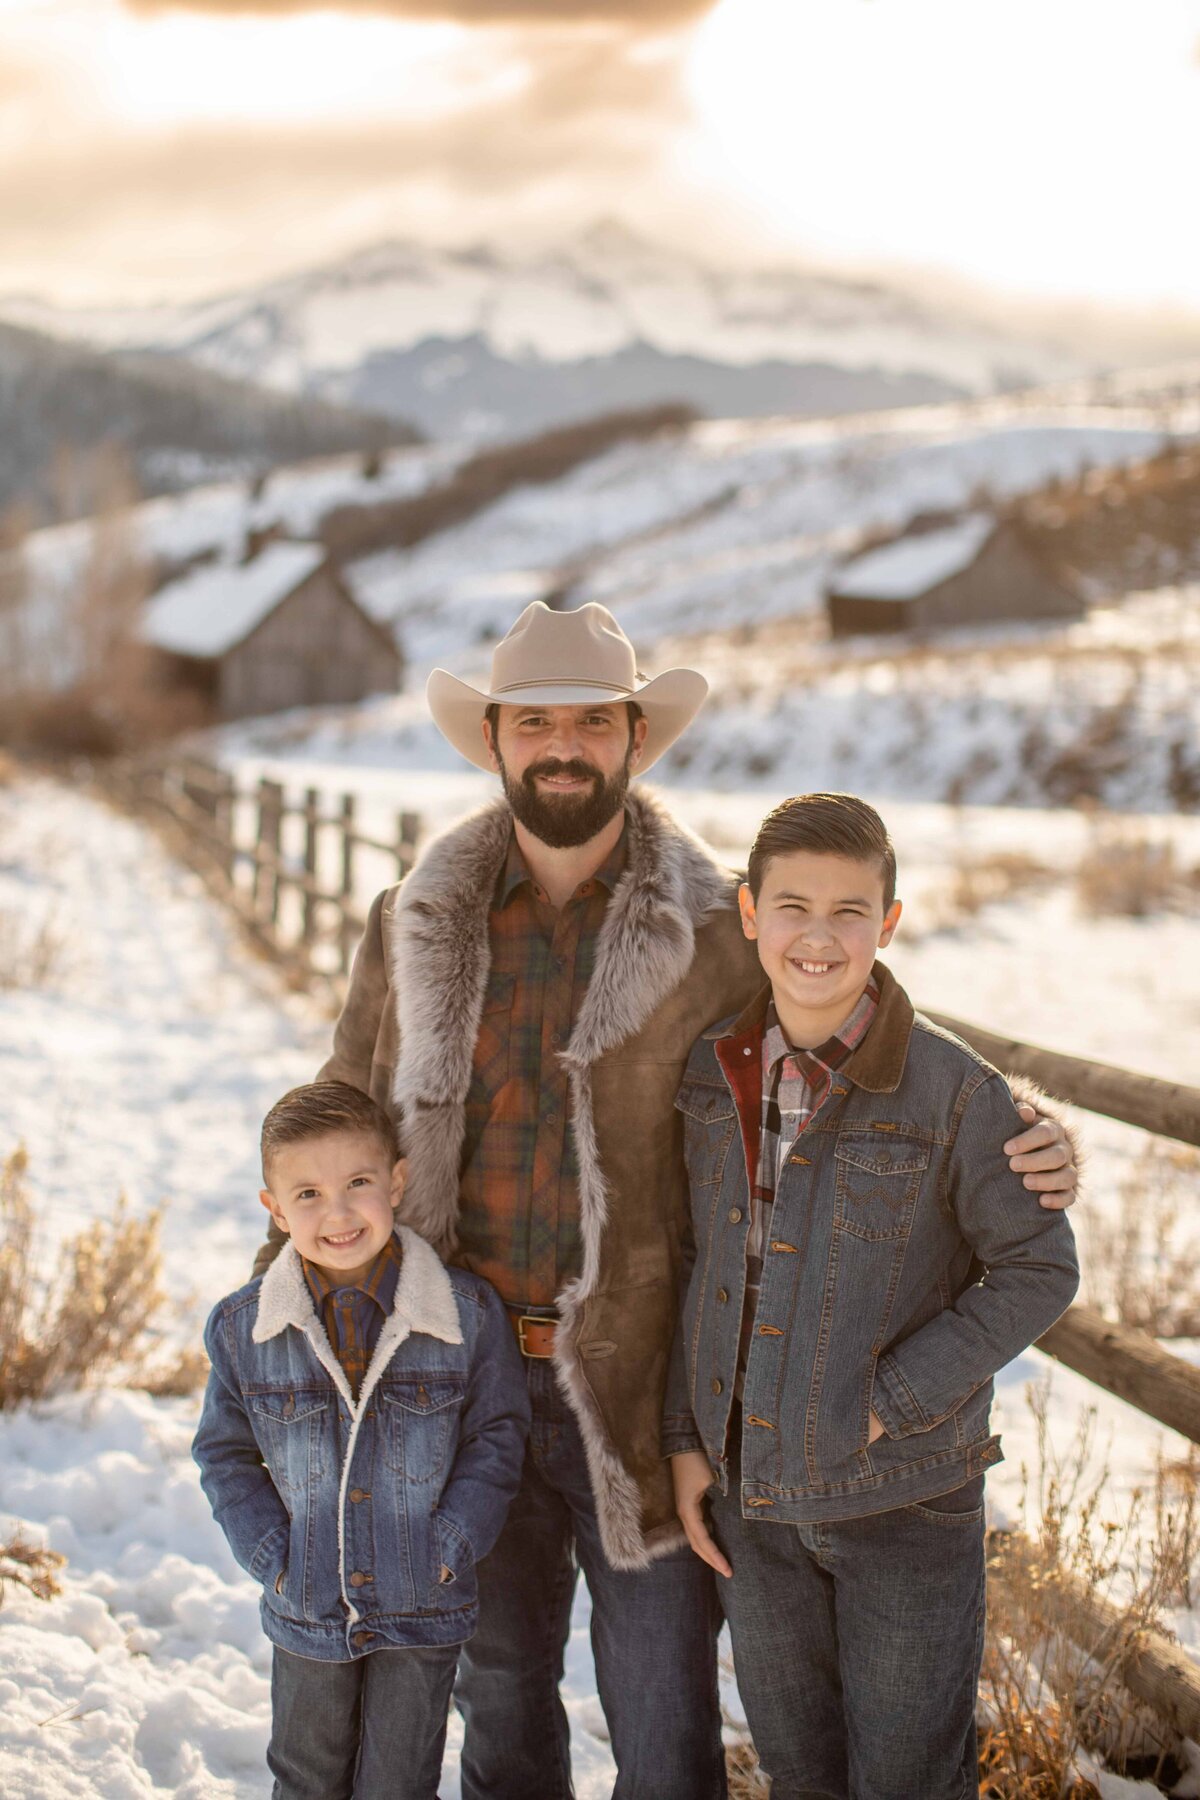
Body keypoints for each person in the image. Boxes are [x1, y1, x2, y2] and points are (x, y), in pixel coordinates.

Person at [252, 601, 1080, 1800]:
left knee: (666, 1724)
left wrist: (1026, 1128)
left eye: (593, 720)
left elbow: (850, 1021)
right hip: (458, 1375)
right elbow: (340, 1112)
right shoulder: (415, 922)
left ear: (637, 736)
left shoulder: (714, 929)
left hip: (647, 1395)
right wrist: (288, 1328)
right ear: (493, 740)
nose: (564, 745)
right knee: (502, 1714)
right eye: (535, 721)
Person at [666, 792, 1080, 1800]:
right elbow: (694, 1265)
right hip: (751, 1498)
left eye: (850, 911)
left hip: (904, 1505)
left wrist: (893, 1399)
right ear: (750, 913)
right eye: (793, 907)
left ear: (889, 922)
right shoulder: (708, 1075)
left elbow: (1040, 1267)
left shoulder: (955, 1092)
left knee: (905, 1780)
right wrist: (687, 1439)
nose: (820, 936)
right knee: (801, 1773)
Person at [195, 1081, 528, 1800]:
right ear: (275, 1211)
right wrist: (270, 1556)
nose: (337, 1212)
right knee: (307, 1776)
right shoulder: (243, 1329)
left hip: (424, 1604)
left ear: (398, 1182)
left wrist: (454, 1542)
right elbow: (223, 1455)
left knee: (400, 1783)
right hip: (307, 1601)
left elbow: (496, 1437)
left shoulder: (466, 1314)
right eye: (307, 1194)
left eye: (358, 1183)